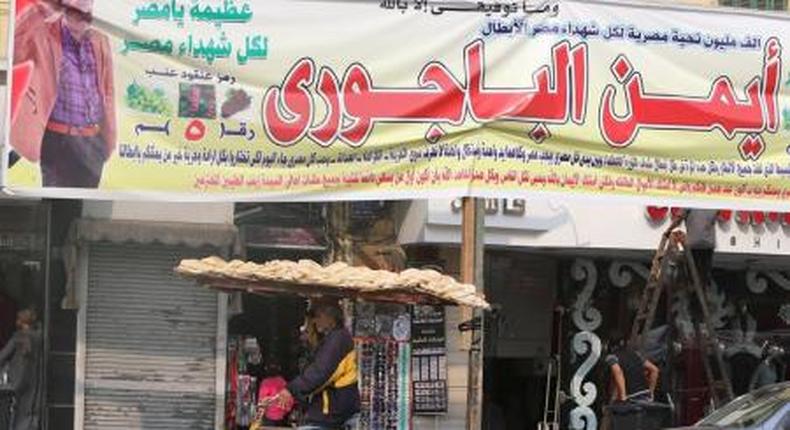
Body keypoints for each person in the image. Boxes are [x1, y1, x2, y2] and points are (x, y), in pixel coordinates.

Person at [12, 0, 116, 188]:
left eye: (87, 13)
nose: (83, 18)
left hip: (92, 143)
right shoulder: (44, 34)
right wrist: (41, 10)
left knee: (81, 209)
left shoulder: (100, 40)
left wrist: (108, 142)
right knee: (53, 207)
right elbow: (12, 50)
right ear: (64, 9)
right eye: (77, 11)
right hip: (56, 140)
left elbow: (108, 93)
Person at [274, 300, 360, 430]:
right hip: (334, 411)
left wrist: (291, 389)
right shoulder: (336, 338)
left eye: (318, 316)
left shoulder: (337, 340)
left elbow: (320, 372)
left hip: (332, 414)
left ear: (331, 316)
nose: (315, 321)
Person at [0, 309, 43, 430]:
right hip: (35, 381)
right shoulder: (40, 338)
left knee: (15, 414)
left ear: (20, 321)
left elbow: (2, 356)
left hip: (16, 383)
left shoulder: (18, 338)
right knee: (30, 413)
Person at [606, 334, 660, 403]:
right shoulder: (636, 354)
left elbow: (618, 373)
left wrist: (623, 398)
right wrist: (651, 392)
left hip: (632, 398)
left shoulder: (612, 357)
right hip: (645, 395)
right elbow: (654, 370)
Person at [683, 209, 718, 289]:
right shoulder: (713, 205)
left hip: (693, 243)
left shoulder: (690, 203)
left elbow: (680, 215)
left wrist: (669, 229)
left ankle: (693, 286)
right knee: (704, 270)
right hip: (708, 243)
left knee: (692, 270)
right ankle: (702, 287)